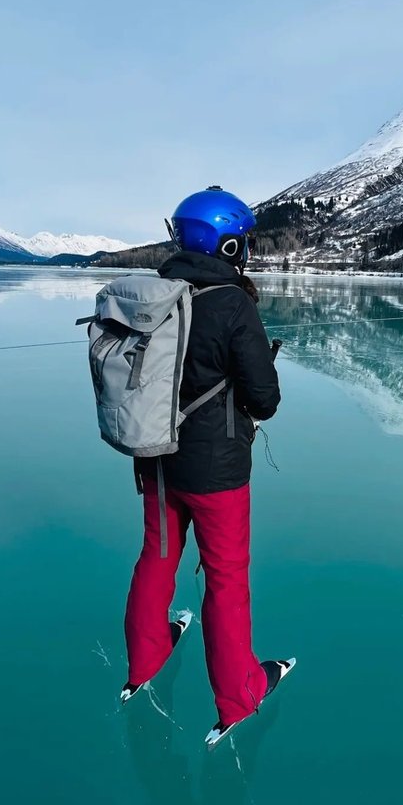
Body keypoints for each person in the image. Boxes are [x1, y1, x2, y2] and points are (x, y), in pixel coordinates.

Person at [121, 186, 293, 745]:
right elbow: (264, 399)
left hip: (157, 464)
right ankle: (240, 695)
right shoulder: (231, 303)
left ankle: (145, 663)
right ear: (228, 244)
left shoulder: (155, 295)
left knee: (157, 558)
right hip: (216, 473)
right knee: (225, 582)